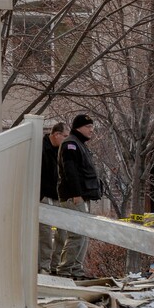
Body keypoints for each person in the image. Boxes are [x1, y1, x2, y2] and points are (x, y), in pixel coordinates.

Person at [55, 113, 102, 279]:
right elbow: (70, 171)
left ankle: (76, 270)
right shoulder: (70, 145)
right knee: (77, 234)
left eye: (92, 127)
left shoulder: (79, 144)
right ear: (78, 127)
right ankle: (65, 271)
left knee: (83, 233)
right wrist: (76, 194)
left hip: (82, 196)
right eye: (88, 127)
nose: (91, 130)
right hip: (74, 197)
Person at [38, 122, 69, 274]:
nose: (66, 139)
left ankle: (56, 266)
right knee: (45, 234)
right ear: (56, 134)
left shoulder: (62, 150)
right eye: (65, 136)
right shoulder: (41, 148)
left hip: (59, 197)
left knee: (63, 233)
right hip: (44, 197)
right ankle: (44, 267)